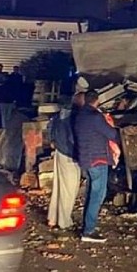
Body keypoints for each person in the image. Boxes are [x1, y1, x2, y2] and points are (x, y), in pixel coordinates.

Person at [73, 90, 119, 243]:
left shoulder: (79, 116)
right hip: (98, 158)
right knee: (98, 194)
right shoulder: (95, 117)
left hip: (86, 158)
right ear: (97, 101)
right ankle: (88, 230)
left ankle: (87, 226)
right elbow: (112, 134)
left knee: (92, 192)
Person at [47, 93, 83, 231]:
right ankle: (64, 221)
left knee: (58, 186)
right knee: (69, 189)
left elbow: (50, 129)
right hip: (69, 154)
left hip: (59, 152)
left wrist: (53, 141)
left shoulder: (57, 116)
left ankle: (53, 218)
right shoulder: (73, 117)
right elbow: (73, 138)